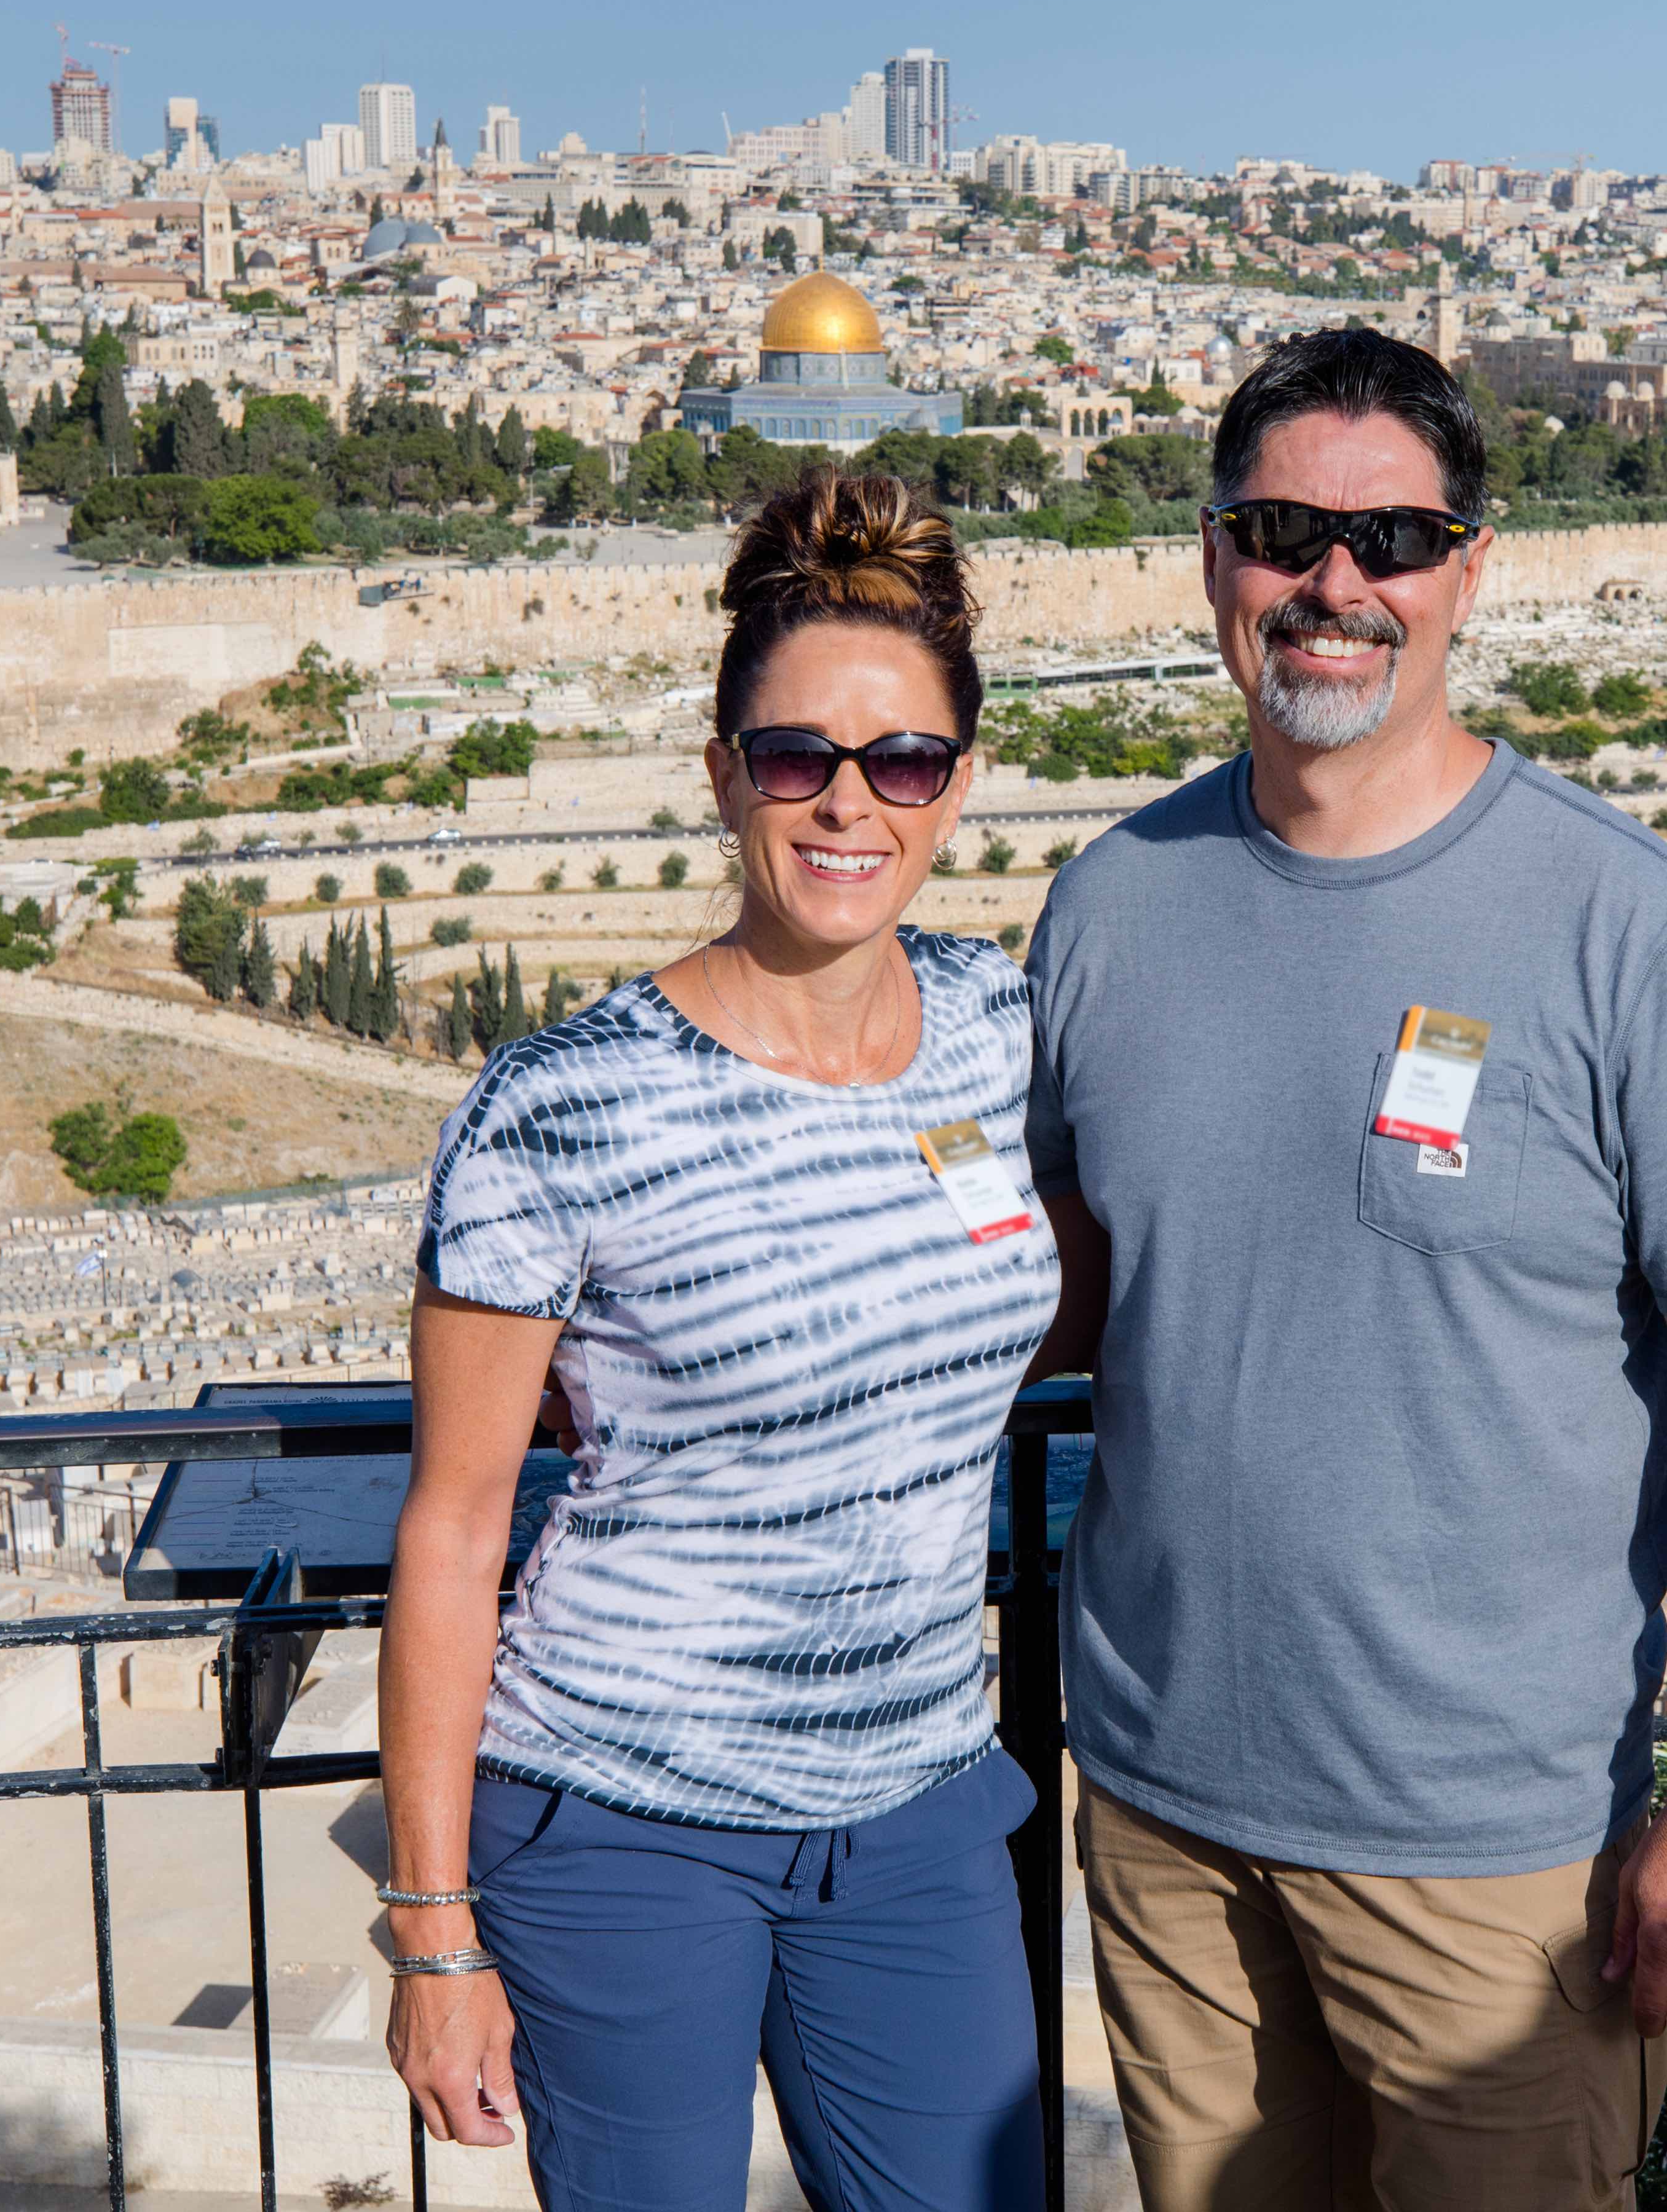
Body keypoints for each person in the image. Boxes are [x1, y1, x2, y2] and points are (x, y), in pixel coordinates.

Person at [1023, 328, 1667, 2210]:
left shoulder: (1625, 930)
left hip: (1490, 1861)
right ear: (1213, 559)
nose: (1335, 583)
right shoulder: (1114, 903)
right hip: (1164, 1821)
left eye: (1389, 538)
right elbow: (1071, 1289)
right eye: (1283, 530)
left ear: (1471, 569)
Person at [380, 472, 1057, 2212]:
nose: (850, 803)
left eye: (902, 761)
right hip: (618, 1819)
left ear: (958, 787)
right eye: (795, 758)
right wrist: (432, 1931)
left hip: (915, 1809)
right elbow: (456, 1530)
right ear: (721, 772)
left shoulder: (1003, 1033)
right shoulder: (561, 1107)